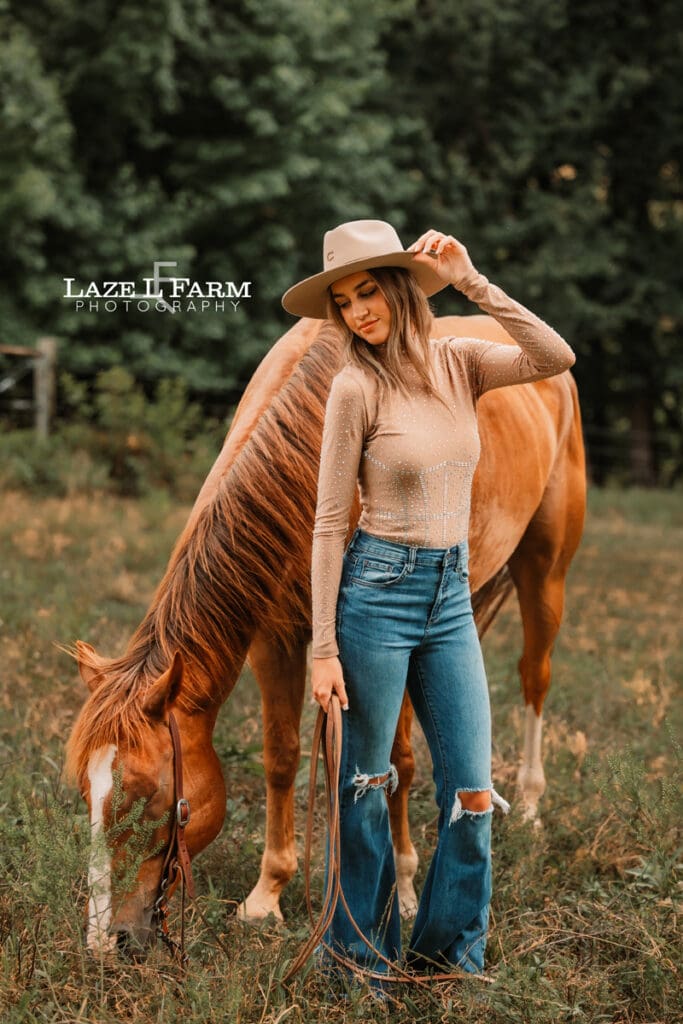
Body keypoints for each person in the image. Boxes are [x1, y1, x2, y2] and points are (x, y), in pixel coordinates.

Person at [281, 220, 576, 982]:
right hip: (374, 593)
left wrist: (473, 280)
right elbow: (324, 522)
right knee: (365, 789)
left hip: (450, 595)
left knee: (472, 792)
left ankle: (448, 957)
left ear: (401, 289)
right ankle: (356, 962)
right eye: (343, 301)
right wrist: (320, 647)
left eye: (368, 291)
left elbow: (555, 356)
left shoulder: (461, 363)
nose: (357, 312)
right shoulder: (354, 386)